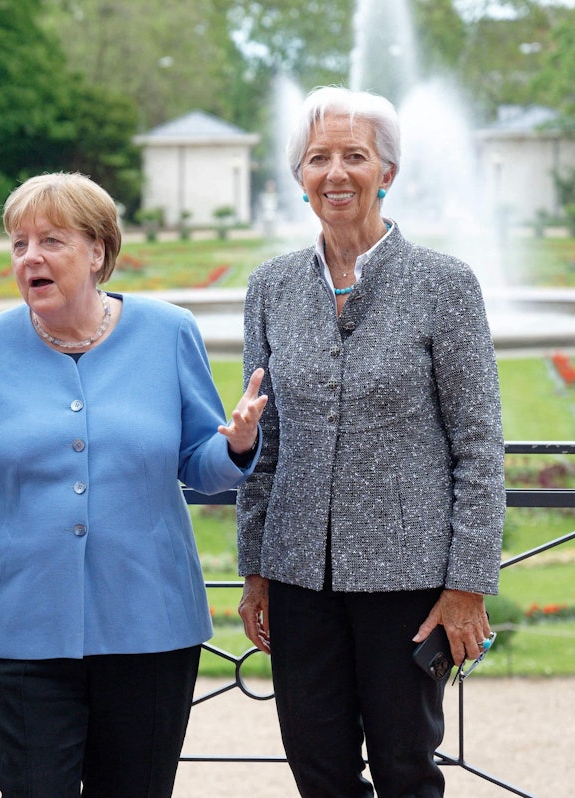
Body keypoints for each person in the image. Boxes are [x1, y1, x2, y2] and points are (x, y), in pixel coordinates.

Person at [0, 172, 267, 796]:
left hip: (150, 626)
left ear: (97, 252)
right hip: (21, 629)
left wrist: (238, 443)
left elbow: (200, 463)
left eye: (51, 240)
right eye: (18, 243)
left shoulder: (168, 333)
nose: (29, 256)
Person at [236, 85, 506, 798]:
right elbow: (264, 442)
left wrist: (468, 584)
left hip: (409, 582)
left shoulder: (443, 284)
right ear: (299, 177)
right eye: (318, 157)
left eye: (355, 156)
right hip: (296, 578)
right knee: (317, 770)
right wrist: (254, 569)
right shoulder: (269, 288)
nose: (335, 173)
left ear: (387, 172)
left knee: (405, 770)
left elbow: (478, 446)